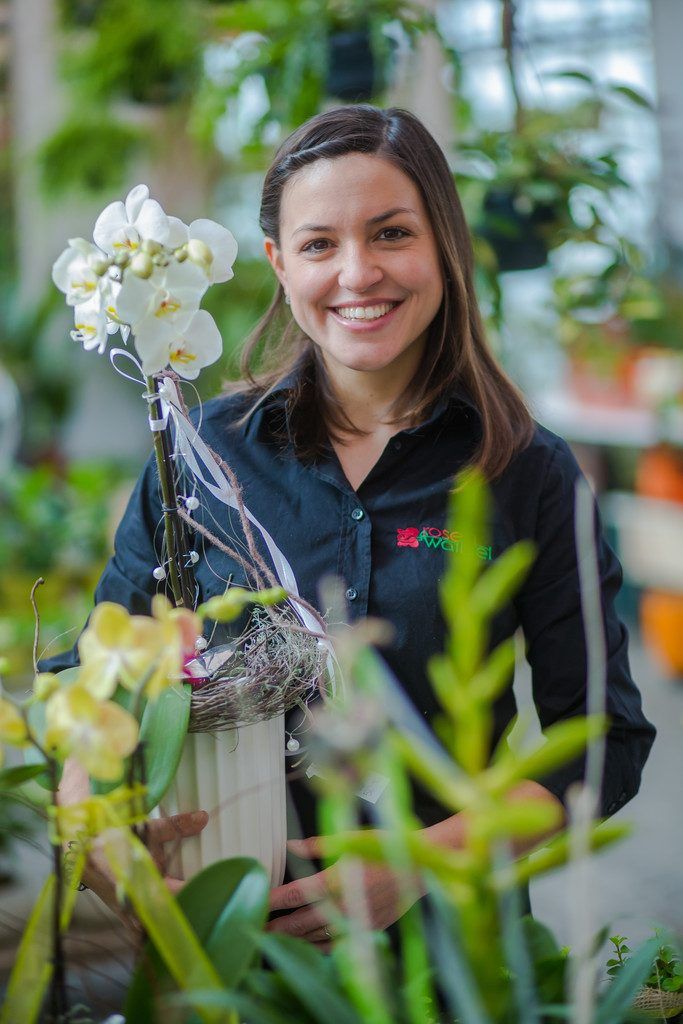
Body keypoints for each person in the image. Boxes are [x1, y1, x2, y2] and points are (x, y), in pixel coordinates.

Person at [47, 104, 655, 947]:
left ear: (444, 245)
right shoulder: (200, 456)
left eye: (391, 233)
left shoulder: (526, 471)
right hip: (224, 948)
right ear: (279, 263)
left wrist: (419, 861)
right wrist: (98, 831)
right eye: (319, 244)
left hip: (449, 956)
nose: (357, 273)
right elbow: (92, 680)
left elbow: (602, 742)